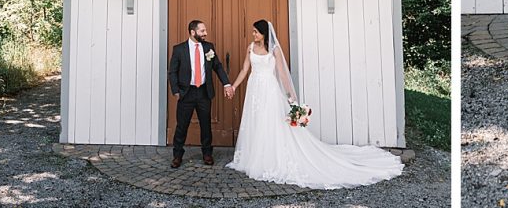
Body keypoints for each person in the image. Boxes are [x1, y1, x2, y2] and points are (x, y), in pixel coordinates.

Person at [225, 19, 404, 188]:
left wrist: (292, 100)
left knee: (270, 123)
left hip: (269, 91)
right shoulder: (251, 48)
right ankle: (255, 158)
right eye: (253, 32)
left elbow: (282, 75)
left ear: (264, 34)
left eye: (256, 32)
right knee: (256, 122)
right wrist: (233, 86)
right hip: (254, 89)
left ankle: (270, 159)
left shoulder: (274, 50)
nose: (253, 35)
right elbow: (244, 70)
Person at [167, 19, 234, 168]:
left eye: (205, 31)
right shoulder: (179, 49)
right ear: (193, 32)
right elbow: (172, 72)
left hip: (204, 91)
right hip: (186, 93)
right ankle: (177, 155)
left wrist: (227, 84)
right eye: (202, 31)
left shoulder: (209, 47)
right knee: (182, 126)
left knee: (206, 124)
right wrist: (176, 91)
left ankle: (207, 153)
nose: (206, 33)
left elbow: (218, 66)